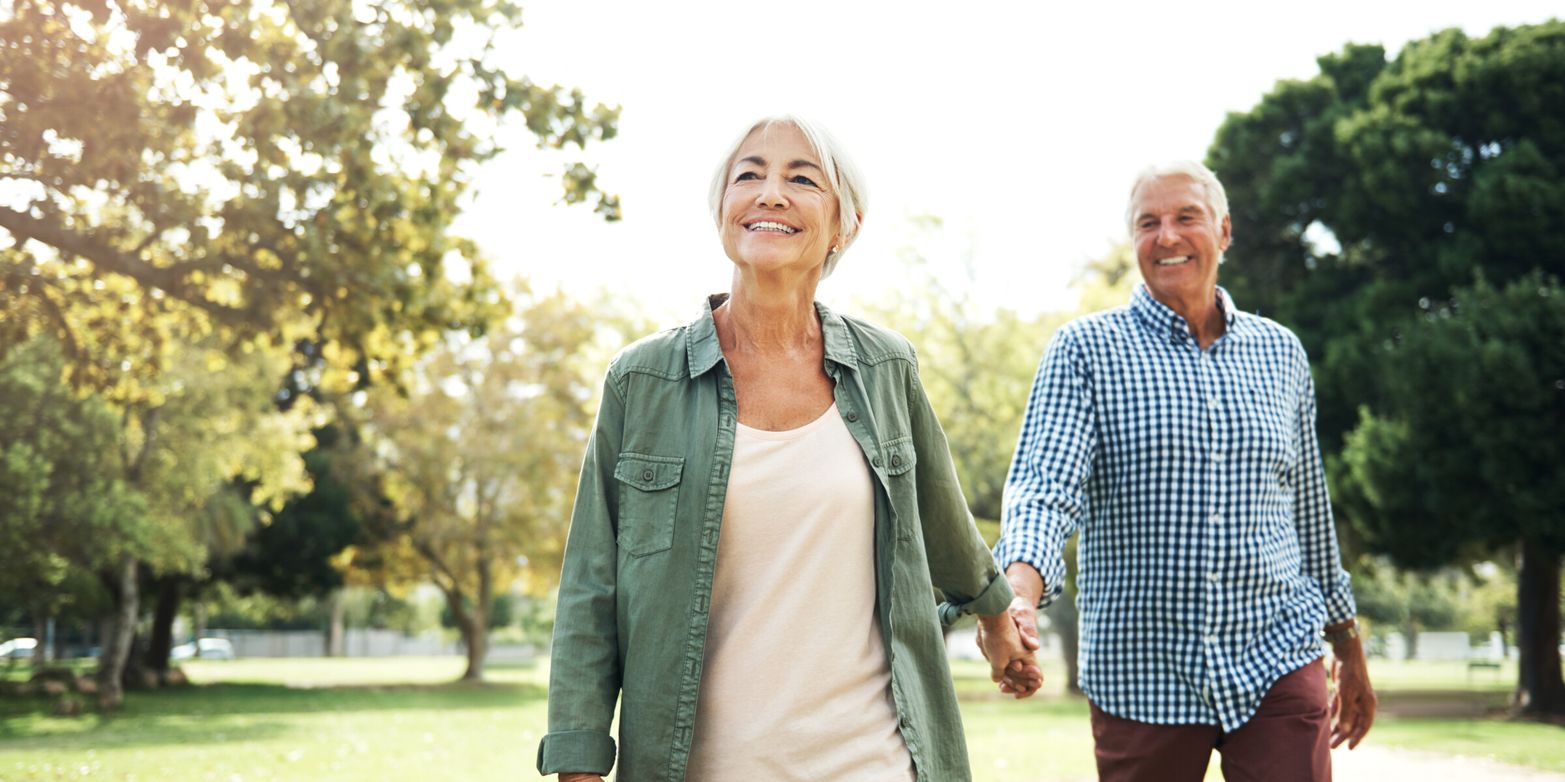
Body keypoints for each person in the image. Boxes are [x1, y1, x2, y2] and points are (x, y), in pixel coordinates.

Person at [537, 115, 1042, 782]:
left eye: (801, 179)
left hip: (873, 760)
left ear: (844, 225)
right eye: (749, 175)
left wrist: (997, 619)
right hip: (700, 765)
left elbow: (942, 522)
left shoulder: (887, 368)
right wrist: (577, 762)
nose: (770, 192)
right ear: (722, 211)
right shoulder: (643, 380)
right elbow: (589, 589)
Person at [989, 161, 1376, 781]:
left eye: (1185, 218)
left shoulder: (1280, 352)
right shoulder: (1085, 350)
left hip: (1278, 652)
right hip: (1143, 671)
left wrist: (1348, 645)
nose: (1166, 236)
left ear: (1223, 231)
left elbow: (1308, 509)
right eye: (1149, 223)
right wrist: (1019, 597)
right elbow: (1043, 488)